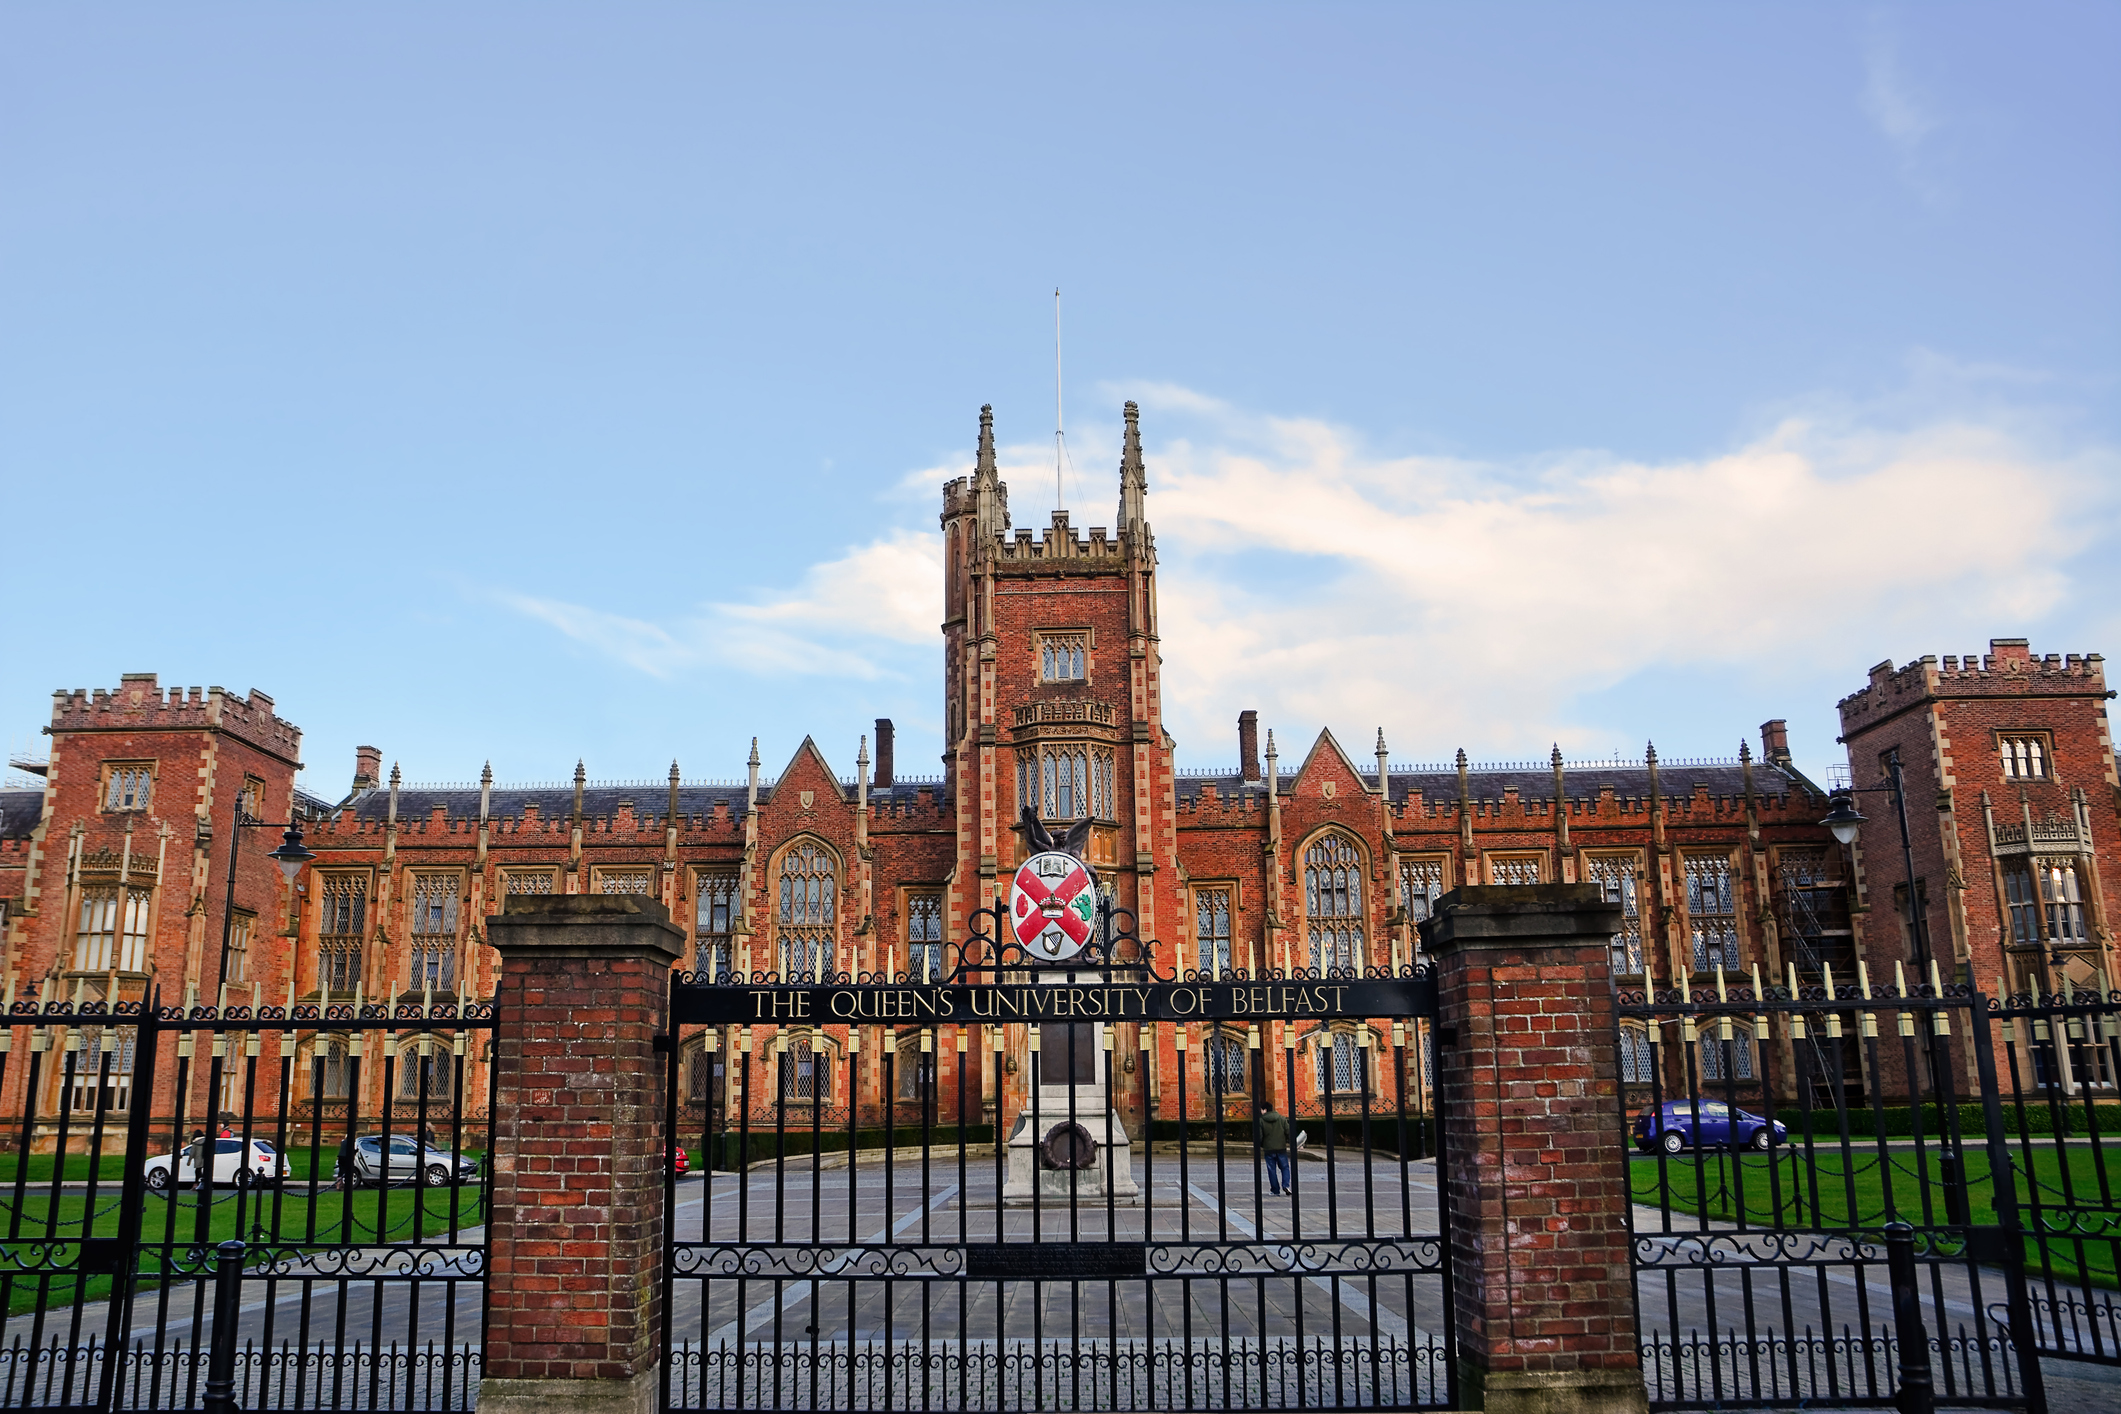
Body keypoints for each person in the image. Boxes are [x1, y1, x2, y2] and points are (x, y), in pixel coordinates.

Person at [1256, 1102, 1292, 1197]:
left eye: (1261, 1110)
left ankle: (1275, 1190)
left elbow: (1259, 1136)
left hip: (1268, 1149)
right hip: (1281, 1148)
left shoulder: (1261, 1121)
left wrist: (1261, 1145)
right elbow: (1289, 1132)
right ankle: (1286, 1185)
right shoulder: (1282, 1119)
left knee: (1271, 1170)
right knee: (1285, 1168)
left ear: (1265, 1110)